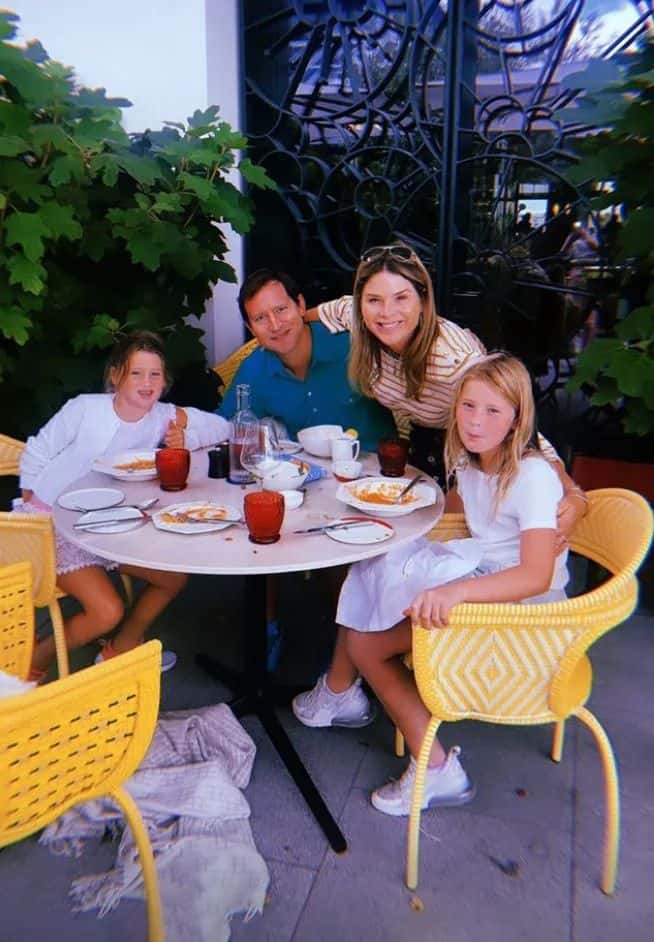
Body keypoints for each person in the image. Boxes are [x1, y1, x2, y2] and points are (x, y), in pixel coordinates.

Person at [293, 245, 587, 728]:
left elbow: (510, 422)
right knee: (376, 557)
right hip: (448, 452)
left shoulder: (461, 371)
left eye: (401, 298)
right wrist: (280, 330)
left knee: (387, 562)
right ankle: (343, 685)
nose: (387, 312)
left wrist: (571, 494)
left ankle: (350, 682)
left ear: (425, 300)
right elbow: (313, 314)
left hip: (460, 448)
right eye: (374, 300)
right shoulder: (357, 314)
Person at [304, 353, 572, 815]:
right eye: (468, 406)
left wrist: (454, 592)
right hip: (487, 585)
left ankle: (437, 769)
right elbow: (458, 506)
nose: (475, 421)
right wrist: (392, 515)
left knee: (367, 642)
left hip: (528, 615)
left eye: (492, 410)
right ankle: (342, 693)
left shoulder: (531, 476)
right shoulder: (472, 463)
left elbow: (536, 575)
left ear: (516, 418)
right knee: (374, 573)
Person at [19, 330, 231, 678]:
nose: (146, 383)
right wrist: (33, 505)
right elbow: (37, 451)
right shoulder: (85, 408)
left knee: (173, 578)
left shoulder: (162, 415)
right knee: (107, 611)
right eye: (136, 373)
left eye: (155, 375)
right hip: (52, 527)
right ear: (116, 375)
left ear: (165, 382)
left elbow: (221, 427)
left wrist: (187, 434)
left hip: (108, 527)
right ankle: (34, 661)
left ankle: (122, 647)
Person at [216, 268, 396, 450]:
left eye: (281, 309)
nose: (275, 325)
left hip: (378, 471)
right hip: (306, 473)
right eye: (260, 318)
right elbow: (224, 425)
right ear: (251, 328)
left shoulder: (351, 345)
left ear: (301, 305)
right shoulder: (254, 369)